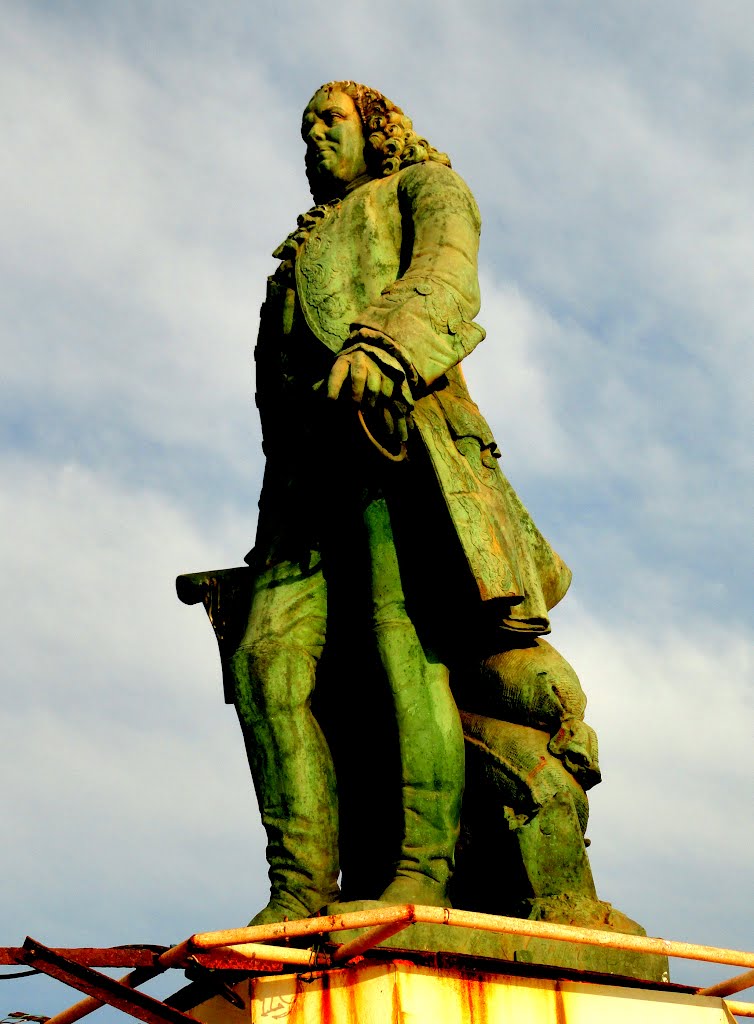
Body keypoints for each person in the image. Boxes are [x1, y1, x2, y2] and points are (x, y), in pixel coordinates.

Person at [230, 82, 573, 926]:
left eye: (329, 119)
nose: (313, 136)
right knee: (264, 666)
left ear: (376, 127)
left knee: (399, 642)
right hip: (306, 490)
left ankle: (423, 869)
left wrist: (387, 347)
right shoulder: (292, 260)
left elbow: (448, 275)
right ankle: (298, 888)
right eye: (304, 126)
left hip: (399, 442)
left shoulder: (422, 188)